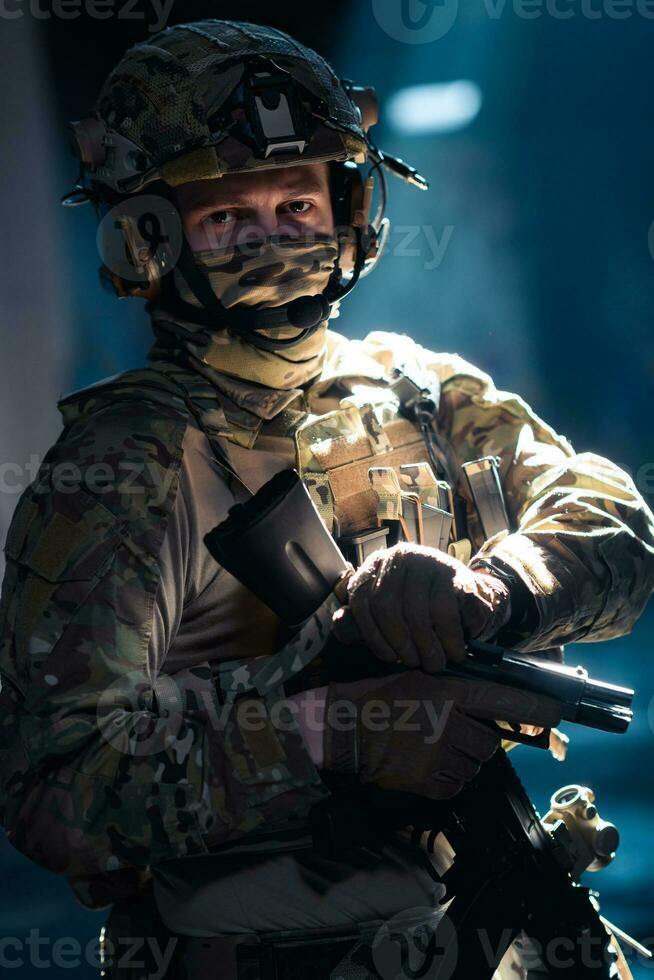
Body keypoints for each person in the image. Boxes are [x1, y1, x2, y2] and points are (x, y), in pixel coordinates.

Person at [1, 19, 653, 980]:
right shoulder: (125, 465)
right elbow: (53, 794)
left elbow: (614, 521)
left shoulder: (417, 391)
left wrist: (496, 591)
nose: (274, 237)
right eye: (226, 217)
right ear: (147, 237)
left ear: (352, 210)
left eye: (299, 203)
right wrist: (331, 737)